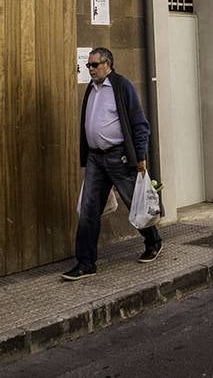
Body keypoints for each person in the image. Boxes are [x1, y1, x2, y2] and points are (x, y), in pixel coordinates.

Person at [62, 47, 162, 280]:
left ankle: (153, 241)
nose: (90, 69)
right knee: (88, 211)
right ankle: (86, 263)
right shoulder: (92, 89)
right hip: (96, 158)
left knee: (134, 203)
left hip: (120, 157)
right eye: (88, 66)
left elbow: (139, 123)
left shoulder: (121, 86)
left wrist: (140, 157)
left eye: (94, 65)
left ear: (108, 64)